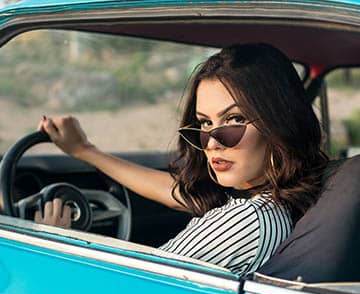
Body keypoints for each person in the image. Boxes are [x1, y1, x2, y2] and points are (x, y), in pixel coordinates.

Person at [35, 43, 328, 275]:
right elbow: (180, 193)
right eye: (204, 123)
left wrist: (55, 242)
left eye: (234, 119)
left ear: (280, 123)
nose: (212, 143)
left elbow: (127, 292)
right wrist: (85, 150)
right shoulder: (289, 200)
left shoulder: (247, 221)